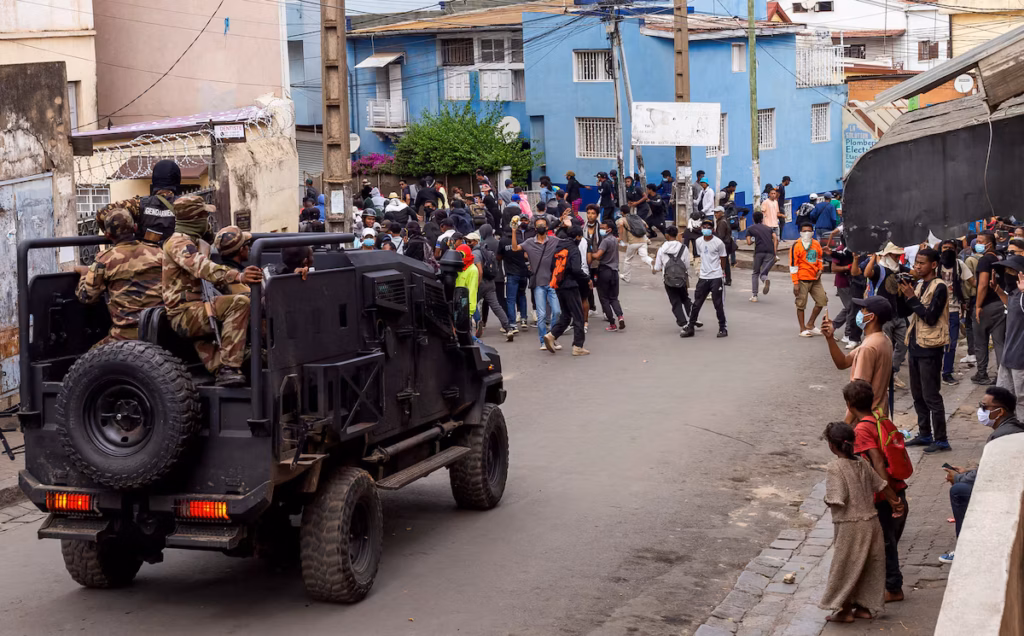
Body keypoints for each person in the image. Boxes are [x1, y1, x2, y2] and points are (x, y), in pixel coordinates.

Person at [162, 196, 262, 387]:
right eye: (204, 216)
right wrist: (238, 276)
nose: (206, 220)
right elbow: (202, 267)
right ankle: (229, 368)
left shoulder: (193, 241)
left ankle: (226, 367)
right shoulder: (178, 243)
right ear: (195, 218)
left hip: (196, 308)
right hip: (183, 313)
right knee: (239, 303)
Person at [818, 421, 898, 623]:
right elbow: (881, 485)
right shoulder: (862, 463)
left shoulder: (835, 468)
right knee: (869, 567)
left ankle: (844, 611)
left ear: (831, 445)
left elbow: (837, 497)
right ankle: (864, 608)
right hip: (872, 523)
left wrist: (826, 498)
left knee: (845, 568)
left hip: (850, 526)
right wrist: (896, 503)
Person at [939, 386, 1024, 564]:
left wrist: (958, 478)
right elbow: (992, 467)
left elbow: (989, 474)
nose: (981, 411)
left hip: (1009, 492)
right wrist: (968, 472)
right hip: (1009, 485)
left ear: (1000, 411)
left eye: (985, 407)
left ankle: (965, 549)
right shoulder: (1009, 429)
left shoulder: (1003, 435)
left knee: (959, 490)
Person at [845, 380, 911, 604]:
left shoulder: (862, 429)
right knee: (888, 541)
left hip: (884, 495)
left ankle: (893, 588)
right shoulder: (881, 420)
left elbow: (877, 462)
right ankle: (885, 584)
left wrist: (890, 497)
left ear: (849, 404)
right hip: (897, 486)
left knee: (886, 544)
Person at [74, 208, 163, 346]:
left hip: (124, 337)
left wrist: (85, 274)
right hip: (160, 332)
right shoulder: (157, 253)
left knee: (89, 358)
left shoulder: (105, 260)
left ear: (107, 234)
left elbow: (87, 297)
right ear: (135, 227)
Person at [898, 249, 951, 453]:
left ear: (933, 265)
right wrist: (903, 294)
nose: (917, 266)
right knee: (917, 394)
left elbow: (930, 317)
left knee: (931, 395)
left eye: (922, 263)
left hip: (930, 348)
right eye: (916, 263)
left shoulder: (940, 287)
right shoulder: (919, 285)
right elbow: (906, 312)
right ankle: (925, 433)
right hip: (915, 345)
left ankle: (941, 439)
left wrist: (912, 297)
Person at [822, 295, 894, 421]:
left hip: (864, 419)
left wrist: (846, 425)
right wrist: (830, 339)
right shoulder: (883, 339)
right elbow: (843, 363)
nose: (859, 313)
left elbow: (859, 395)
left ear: (871, 317)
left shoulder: (868, 348)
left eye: (863, 310)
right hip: (879, 415)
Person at [98, 158, 180, 245]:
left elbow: (101, 213)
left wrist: (121, 237)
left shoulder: (137, 204)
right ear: (177, 179)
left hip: (144, 253)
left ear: (154, 179)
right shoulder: (185, 205)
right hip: (177, 253)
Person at [863, 242, 911, 391]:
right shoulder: (880, 269)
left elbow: (914, 273)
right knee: (885, 348)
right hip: (883, 316)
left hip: (899, 314)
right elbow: (867, 273)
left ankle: (892, 372)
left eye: (898, 256)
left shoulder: (900, 269)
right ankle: (883, 378)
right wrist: (874, 257)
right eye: (895, 255)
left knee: (904, 342)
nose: (897, 258)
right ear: (887, 255)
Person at [510, 216, 562, 350]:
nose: (541, 227)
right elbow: (515, 248)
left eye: (543, 225)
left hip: (552, 283)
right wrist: (514, 231)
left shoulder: (554, 241)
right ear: (535, 228)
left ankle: (552, 337)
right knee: (542, 315)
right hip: (538, 284)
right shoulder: (529, 242)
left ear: (547, 227)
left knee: (557, 312)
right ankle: (542, 341)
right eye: (538, 225)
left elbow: (567, 243)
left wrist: (565, 224)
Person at [544, 224, 590, 356]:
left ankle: (552, 335)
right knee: (578, 316)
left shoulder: (558, 247)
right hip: (571, 286)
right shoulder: (574, 249)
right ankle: (578, 346)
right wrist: (586, 278)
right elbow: (576, 269)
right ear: (578, 237)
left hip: (558, 285)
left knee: (566, 315)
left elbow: (552, 267)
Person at [681, 218, 727, 338]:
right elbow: (702, 256)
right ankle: (691, 327)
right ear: (701, 228)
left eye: (709, 227)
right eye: (704, 227)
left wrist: (721, 272)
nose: (706, 229)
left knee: (718, 304)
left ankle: (723, 328)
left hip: (716, 276)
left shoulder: (718, 243)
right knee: (697, 303)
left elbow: (723, 258)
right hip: (703, 276)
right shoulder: (698, 241)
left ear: (713, 229)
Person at [467, 230, 515, 341]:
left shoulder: (475, 253)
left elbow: (480, 270)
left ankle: (477, 323)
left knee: (470, 304)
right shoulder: (486, 251)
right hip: (490, 283)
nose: (468, 243)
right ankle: (508, 328)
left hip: (481, 283)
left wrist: (477, 285)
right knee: (496, 306)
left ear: (475, 241)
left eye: (469, 241)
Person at [972, 231, 1006, 385]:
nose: (977, 244)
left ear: (989, 244)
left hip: (986, 305)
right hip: (1000, 303)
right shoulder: (1000, 257)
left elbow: (983, 284)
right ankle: (1002, 376)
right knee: (999, 342)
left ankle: (981, 374)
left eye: (980, 241)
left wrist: (978, 306)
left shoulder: (984, 260)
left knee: (980, 342)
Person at [939, 240, 973, 385]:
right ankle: (933, 370)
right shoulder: (935, 264)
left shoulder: (959, 265)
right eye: (945, 247)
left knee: (951, 344)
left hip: (953, 310)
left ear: (956, 251)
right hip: (936, 310)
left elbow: (972, 281)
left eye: (951, 248)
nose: (947, 250)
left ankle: (947, 372)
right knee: (935, 342)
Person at [994, 256, 1024, 418]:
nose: (1007, 274)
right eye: (1006, 271)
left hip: (1020, 360)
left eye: (1012, 271)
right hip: (1008, 357)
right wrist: (998, 291)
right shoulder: (1014, 293)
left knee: (1021, 401)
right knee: (1003, 399)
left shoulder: (1022, 294)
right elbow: (1013, 308)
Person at [652, 225, 692, 333]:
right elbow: (687, 265)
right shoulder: (684, 248)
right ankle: (693, 317)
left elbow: (657, 267)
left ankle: (683, 322)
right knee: (685, 298)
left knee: (675, 301)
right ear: (677, 234)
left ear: (666, 235)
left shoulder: (662, 249)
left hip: (668, 280)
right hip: (682, 279)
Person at [790, 221, 826, 337]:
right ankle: (802, 329)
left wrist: (820, 269)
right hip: (802, 279)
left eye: (809, 231)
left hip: (815, 279)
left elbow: (819, 258)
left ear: (813, 232)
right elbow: (793, 266)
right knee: (801, 304)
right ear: (800, 232)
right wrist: (795, 283)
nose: (807, 233)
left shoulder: (816, 244)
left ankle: (810, 324)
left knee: (822, 300)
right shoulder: (796, 245)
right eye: (804, 231)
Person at [591, 218, 625, 331]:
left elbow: (598, 255)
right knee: (614, 298)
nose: (600, 229)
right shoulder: (615, 240)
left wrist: (589, 253)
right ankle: (620, 317)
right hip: (614, 272)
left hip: (605, 271)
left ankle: (612, 324)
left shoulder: (605, 241)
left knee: (604, 298)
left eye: (602, 227)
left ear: (609, 229)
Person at [500, 223, 530, 331]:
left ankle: (512, 323)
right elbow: (526, 256)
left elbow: (499, 256)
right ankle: (523, 319)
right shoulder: (521, 241)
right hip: (523, 273)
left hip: (511, 273)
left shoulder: (503, 242)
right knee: (522, 295)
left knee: (511, 299)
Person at [745, 210, 778, 302]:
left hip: (759, 252)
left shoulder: (750, 229)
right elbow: (775, 238)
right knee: (764, 272)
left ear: (753, 219)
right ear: (762, 219)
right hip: (770, 252)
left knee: (755, 273)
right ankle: (765, 279)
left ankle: (754, 295)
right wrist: (774, 251)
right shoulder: (768, 228)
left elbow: (748, 242)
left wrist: (754, 240)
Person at [212, 225, 254, 295]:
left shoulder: (221, 272)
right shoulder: (237, 279)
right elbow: (252, 298)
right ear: (241, 249)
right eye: (248, 244)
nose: (249, 248)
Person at [617, 204, 653, 284]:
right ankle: (652, 264)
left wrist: (620, 237)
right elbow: (646, 226)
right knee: (644, 257)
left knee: (628, 259)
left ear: (622, 212)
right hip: (643, 241)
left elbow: (621, 225)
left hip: (633, 242)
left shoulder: (622, 219)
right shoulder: (637, 217)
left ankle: (626, 277)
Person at [454, 244, 479, 336]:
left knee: (465, 335)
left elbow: (472, 291)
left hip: (465, 305)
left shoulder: (472, 270)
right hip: (454, 303)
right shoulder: (457, 267)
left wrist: (469, 312)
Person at [713, 206, 735, 286]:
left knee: (724, 262)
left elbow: (720, 236)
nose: (715, 214)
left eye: (717, 212)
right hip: (726, 243)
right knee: (726, 263)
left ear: (721, 213)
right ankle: (727, 279)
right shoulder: (724, 220)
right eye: (715, 213)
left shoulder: (722, 222)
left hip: (724, 244)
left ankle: (726, 279)